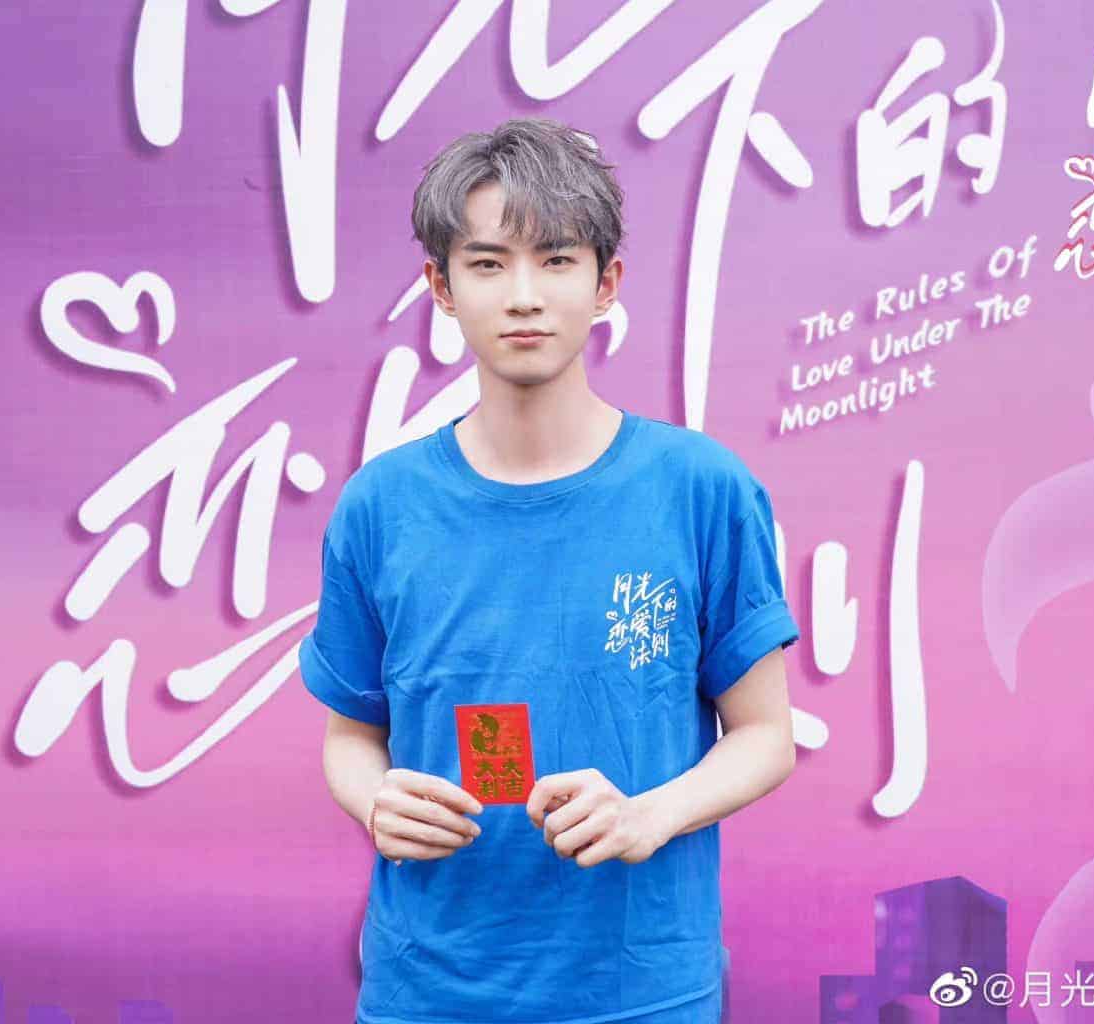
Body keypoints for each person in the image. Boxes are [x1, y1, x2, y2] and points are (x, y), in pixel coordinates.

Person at [298, 116, 801, 1024]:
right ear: (441, 287)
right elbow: (350, 736)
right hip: (426, 991)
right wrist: (376, 802)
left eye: (557, 260)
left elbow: (766, 735)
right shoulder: (380, 506)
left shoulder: (701, 489)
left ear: (606, 284)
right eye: (489, 263)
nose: (523, 296)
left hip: (642, 992)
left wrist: (650, 813)